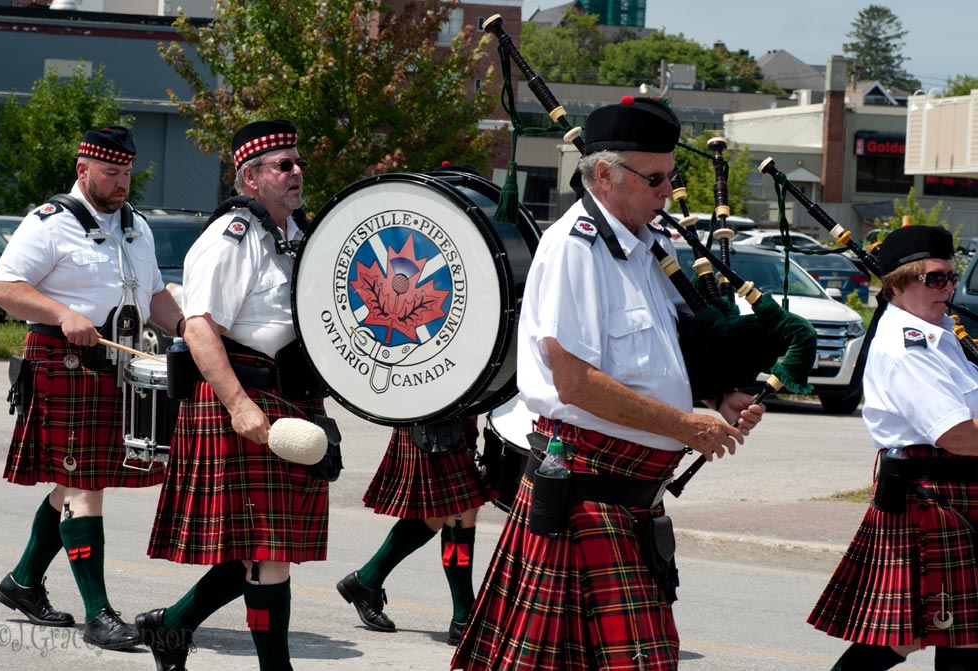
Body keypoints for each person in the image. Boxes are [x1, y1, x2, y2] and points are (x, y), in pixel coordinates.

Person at [449, 96, 765, 671]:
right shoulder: (574, 250)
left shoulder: (648, 247)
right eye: (655, 178)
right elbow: (576, 383)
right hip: (585, 495)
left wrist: (717, 397)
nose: (668, 190)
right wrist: (684, 426)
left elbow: (654, 357)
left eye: (672, 175)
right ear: (603, 174)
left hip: (630, 500)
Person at [138, 119, 333, 671]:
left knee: (263, 546)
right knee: (269, 552)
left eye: (298, 161)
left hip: (292, 397)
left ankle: (170, 627)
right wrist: (239, 405)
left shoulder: (299, 233)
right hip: (244, 395)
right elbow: (200, 328)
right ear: (251, 177)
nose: (297, 172)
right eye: (283, 165)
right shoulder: (232, 237)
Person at [0, 126, 183, 650]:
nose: (121, 183)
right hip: (63, 361)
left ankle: (23, 583)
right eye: (111, 172)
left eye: (127, 173)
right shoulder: (50, 222)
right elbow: (2, 288)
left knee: (74, 481)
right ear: (83, 169)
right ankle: (99, 614)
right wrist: (63, 313)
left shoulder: (137, 226)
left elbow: (155, 296)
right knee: (83, 485)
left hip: (115, 364)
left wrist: (188, 329)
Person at [809, 225, 978, 671]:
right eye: (935, 278)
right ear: (898, 285)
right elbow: (956, 434)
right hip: (934, 496)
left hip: (953, 491)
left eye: (951, 276)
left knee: (955, 632)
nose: (948, 287)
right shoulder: (908, 348)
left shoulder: (939, 331)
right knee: (925, 634)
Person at [337, 417, 493, 645]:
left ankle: (365, 581)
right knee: (461, 506)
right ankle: (464, 616)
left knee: (442, 512)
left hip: (453, 415)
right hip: (431, 419)